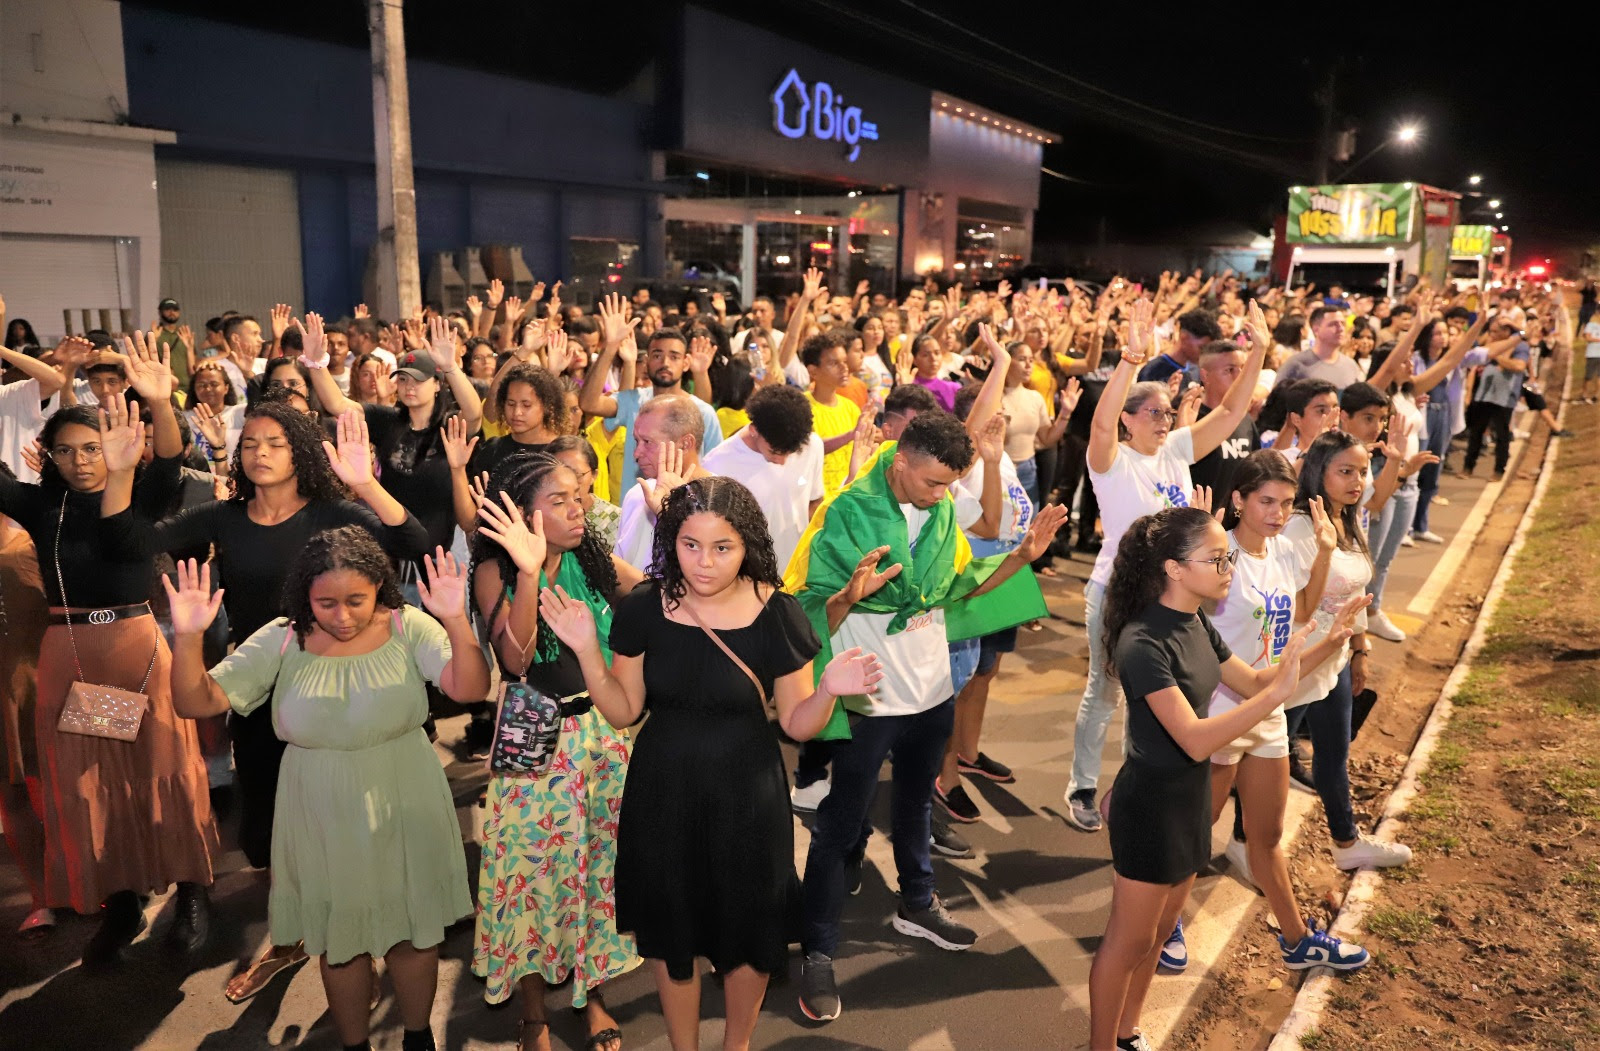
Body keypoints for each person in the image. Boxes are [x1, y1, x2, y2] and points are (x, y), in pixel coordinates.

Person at [539, 476, 882, 1051]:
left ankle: (737, 1046)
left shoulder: (777, 611)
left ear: (748, 545)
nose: (704, 562)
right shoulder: (646, 606)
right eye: (690, 544)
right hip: (662, 789)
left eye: (723, 547)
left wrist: (828, 691)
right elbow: (623, 710)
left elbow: (797, 723)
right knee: (674, 933)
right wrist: (585, 652)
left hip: (747, 793)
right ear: (671, 540)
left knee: (748, 929)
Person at [115, 400, 431, 999]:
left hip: (340, 683)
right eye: (251, 443)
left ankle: (366, 929)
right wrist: (124, 473)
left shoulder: (333, 513)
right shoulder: (224, 517)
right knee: (272, 827)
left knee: (348, 814)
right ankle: (295, 936)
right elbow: (132, 541)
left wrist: (365, 482)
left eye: (275, 443)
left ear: (302, 453)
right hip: (260, 685)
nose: (259, 453)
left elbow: (413, 538)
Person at [788, 412, 1068, 1022]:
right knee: (840, 822)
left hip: (930, 690)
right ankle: (817, 948)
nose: (943, 496)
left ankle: (916, 903)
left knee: (916, 803)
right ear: (899, 463)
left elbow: (959, 585)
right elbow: (808, 603)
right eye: (934, 482)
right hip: (867, 695)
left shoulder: (940, 510)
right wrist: (846, 597)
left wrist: (1023, 555)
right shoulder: (842, 511)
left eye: (949, 484)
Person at [165, 530, 488, 1051]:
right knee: (341, 945)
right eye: (326, 603)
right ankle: (354, 1045)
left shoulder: (409, 626)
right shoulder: (283, 637)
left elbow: (470, 688)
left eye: (356, 601)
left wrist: (454, 617)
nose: (342, 616)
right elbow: (195, 701)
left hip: (405, 794)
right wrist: (187, 638)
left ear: (380, 586)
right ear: (304, 597)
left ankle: (417, 1038)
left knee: (414, 933)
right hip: (319, 807)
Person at [6, 345, 218, 970]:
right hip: (72, 657)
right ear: (49, 456)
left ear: (115, 447)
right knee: (97, 786)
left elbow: (174, 457)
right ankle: (121, 906)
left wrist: (157, 399)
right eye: (66, 451)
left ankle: (192, 894)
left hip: (136, 652)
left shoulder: (141, 495)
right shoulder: (41, 506)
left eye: (91, 448)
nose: (79, 462)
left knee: (163, 774)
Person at [1087, 506, 1329, 1051]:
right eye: (1217, 558)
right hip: (1150, 807)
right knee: (1129, 941)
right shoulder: (1143, 642)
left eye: (1228, 557)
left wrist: (1324, 645)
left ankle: (1127, 1034)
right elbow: (1194, 737)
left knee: (1156, 937)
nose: (1228, 567)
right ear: (1173, 568)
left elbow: (1254, 681)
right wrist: (1273, 697)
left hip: (1190, 799)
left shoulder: (1194, 620)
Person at [1065, 299, 1269, 835]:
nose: (1162, 419)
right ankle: (1083, 787)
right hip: (1119, 591)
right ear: (1130, 418)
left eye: (1165, 410)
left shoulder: (1177, 449)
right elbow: (1101, 424)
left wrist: (1260, 352)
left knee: (1162, 697)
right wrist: (1132, 361)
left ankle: (1137, 787)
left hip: (1177, 595)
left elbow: (1228, 415)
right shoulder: (1112, 461)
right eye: (1150, 412)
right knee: (1104, 690)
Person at [468, 454, 644, 1051]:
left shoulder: (592, 560)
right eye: (563, 500)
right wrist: (528, 572)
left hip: (599, 732)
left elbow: (653, 600)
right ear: (523, 513)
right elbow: (516, 660)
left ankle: (590, 993)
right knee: (529, 874)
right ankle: (533, 1012)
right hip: (531, 728)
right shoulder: (494, 571)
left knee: (596, 866)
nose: (581, 508)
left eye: (581, 496)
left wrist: (671, 517)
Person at [1206, 452, 1371, 972]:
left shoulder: (1278, 551)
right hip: (1219, 711)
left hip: (1268, 708)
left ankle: (1297, 940)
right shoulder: (1220, 555)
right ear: (1238, 500)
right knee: (1194, 831)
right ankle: (1163, 928)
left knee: (1268, 838)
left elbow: (1301, 611)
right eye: (1266, 502)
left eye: (1286, 503)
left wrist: (1322, 553)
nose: (1278, 513)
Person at [1281, 431, 1412, 870]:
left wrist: (1359, 649)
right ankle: (1248, 846)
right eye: (1346, 471)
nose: (1358, 481)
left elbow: (1356, 593)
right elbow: (1299, 606)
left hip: (1335, 660)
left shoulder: (1348, 521)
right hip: (1296, 665)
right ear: (1319, 473)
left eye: (1362, 471)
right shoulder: (1299, 527)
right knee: (1265, 764)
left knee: (1334, 758)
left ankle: (1346, 842)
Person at [304, 313, 484, 588]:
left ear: (437, 385)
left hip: (439, 559)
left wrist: (449, 367)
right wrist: (317, 363)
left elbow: (473, 413)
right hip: (391, 555)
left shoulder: (450, 426)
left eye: (418, 380)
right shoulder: (387, 420)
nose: (409, 386)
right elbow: (337, 404)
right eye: (403, 380)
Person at [579, 298, 722, 497]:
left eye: (674, 356)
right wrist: (610, 347)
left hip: (687, 513)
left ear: (686, 362)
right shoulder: (633, 400)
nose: (665, 362)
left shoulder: (703, 412)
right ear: (646, 362)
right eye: (657, 355)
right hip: (636, 510)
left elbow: (716, 471)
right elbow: (588, 403)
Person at [0, 463, 52, 937]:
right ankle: (42, 895)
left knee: (67, 785)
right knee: (12, 796)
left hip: (48, 679)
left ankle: (93, 883)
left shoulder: (33, 546)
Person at [699, 383, 824, 572]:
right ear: (754, 430)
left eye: (790, 452)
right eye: (774, 451)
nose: (782, 461)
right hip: (749, 579)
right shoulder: (717, 465)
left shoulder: (812, 445)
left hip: (798, 574)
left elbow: (814, 503)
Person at [614, 395, 709, 571]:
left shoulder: (721, 500)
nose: (636, 453)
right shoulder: (638, 494)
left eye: (647, 442)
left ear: (685, 443)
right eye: (636, 441)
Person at [1186, 340, 1260, 498]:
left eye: (1243, 368)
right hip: (1201, 517)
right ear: (1205, 375)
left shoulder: (1245, 419)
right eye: (1230, 370)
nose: (1239, 376)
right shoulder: (1191, 418)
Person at [1462, 316, 1531, 481]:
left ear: (1506, 332)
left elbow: (1519, 366)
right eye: (1490, 331)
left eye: (1495, 331)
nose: (1491, 334)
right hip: (1483, 394)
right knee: (1476, 432)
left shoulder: (1519, 346)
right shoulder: (1489, 345)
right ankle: (1468, 467)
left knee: (1502, 435)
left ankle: (1499, 470)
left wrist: (1497, 356)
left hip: (1504, 397)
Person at [801, 332, 862, 498]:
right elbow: (808, 448)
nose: (844, 368)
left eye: (844, 361)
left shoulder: (850, 408)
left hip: (849, 498)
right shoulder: (802, 407)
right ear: (813, 371)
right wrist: (851, 435)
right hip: (817, 501)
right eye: (834, 363)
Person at [1277, 307, 1366, 389]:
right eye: (1333, 324)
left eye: (1343, 323)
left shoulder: (1350, 365)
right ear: (1316, 330)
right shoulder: (1296, 364)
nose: (1341, 328)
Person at [1136, 308, 1221, 384]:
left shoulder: (1196, 372)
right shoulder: (1153, 371)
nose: (1204, 354)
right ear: (1184, 336)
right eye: (1201, 348)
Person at [185, 359, 245, 465]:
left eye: (214, 384)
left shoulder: (239, 413)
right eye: (201, 385)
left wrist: (247, 373)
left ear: (226, 388)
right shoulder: (184, 419)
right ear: (194, 389)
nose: (208, 389)